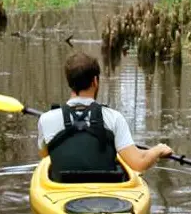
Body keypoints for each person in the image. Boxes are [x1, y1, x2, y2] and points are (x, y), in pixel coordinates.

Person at [37, 51, 172, 182]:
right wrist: (158, 150)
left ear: (69, 82)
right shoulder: (114, 118)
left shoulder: (46, 119)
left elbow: (45, 155)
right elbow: (139, 163)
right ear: (95, 81)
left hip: (60, 191)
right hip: (106, 195)